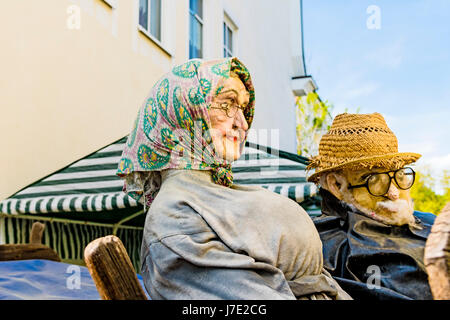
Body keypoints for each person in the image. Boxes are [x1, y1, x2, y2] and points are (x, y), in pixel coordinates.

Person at [116, 57, 351, 300]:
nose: (243, 123)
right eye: (228, 103)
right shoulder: (175, 218)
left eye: (244, 108)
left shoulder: (209, 196)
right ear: (185, 112)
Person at [307, 112, 437, 300]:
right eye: (374, 179)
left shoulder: (428, 221)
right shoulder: (330, 246)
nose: (393, 193)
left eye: (399, 175)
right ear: (336, 185)